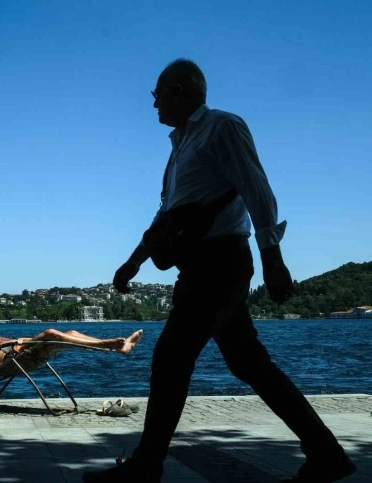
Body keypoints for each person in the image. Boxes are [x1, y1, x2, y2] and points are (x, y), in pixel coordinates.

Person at [82, 59, 356, 483]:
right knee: (251, 364)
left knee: (171, 358)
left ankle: (147, 466)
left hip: (220, 263)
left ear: (179, 90)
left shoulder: (222, 127)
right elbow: (168, 219)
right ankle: (327, 453)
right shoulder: (178, 148)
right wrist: (132, 263)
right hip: (202, 265)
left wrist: (273, 259)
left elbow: (256, 188)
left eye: (157, 94)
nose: (153, 103)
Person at [0, 320, 143, 366]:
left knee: (69, 332)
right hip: (14, 356)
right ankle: (111, 346)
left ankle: (118, 347)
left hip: (21, 349)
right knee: (51, 332)